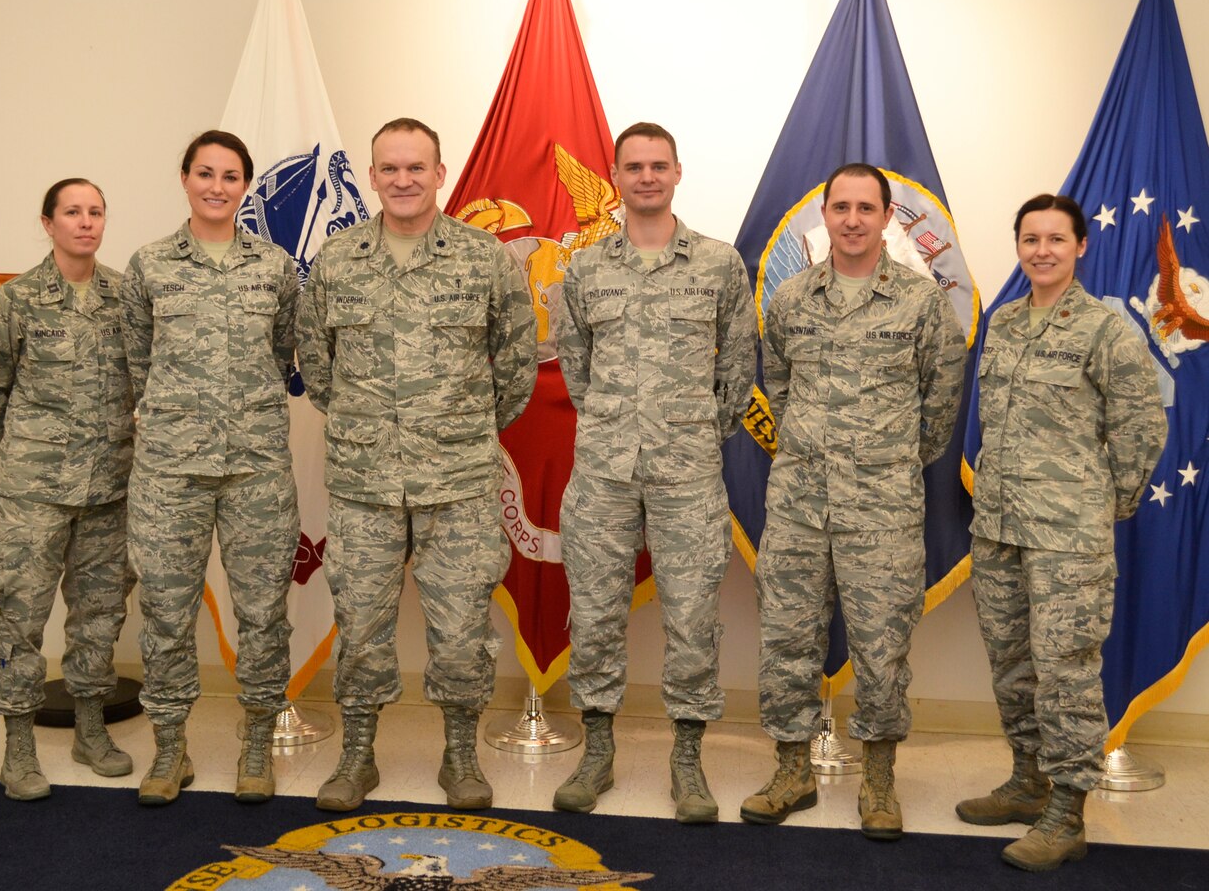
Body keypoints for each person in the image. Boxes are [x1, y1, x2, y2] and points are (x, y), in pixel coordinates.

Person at [297, 117, 536, 813]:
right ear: (372, 177)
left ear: (440, 173)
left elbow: (517, 365)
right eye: (389, 168)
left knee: (462, 629)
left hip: (457, 483)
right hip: (364, 484)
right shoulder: (337, 261)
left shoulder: (485, 258)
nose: (403, 180)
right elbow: (317, 368)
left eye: (416, 167)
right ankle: (357, 756)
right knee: (362, 625)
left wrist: (459, 432)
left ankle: (459, 758)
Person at [743, 162, 966, 839]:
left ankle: (878, 780)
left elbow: (941, 405)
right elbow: (777, 387)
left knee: (881, 646)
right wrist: (817, 451)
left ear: (885, 217)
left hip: (884, 506)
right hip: (800, 502)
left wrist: (887, 460)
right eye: (840, 206)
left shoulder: (922, 304)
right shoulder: (790, 299)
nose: (852, 219)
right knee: (788, 638)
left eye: (866, 208)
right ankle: (791, 771)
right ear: (826, 215)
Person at [549, 122, 755, 824]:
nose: (646, 176)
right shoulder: (583, 268)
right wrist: (614, 424)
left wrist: (691, 432)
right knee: (597, 615)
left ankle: (687, 759)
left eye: (657, 165)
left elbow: (738, 373)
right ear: (615, 176)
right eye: (633, 166)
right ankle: (597, 752)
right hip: (603, 472)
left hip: (689, 474)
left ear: (677, 172)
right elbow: (576, 368)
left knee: (694, 618)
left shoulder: (720, 265)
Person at [957, 194, 1165, 871]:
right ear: (1017, 245)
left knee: (1066, 673)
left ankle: (1068, 810)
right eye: (1030, 238)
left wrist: (1102, 505)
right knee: (1014, 667)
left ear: (1081, 246)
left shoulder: (1106, 331)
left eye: (1055, 239)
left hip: (1067, 539)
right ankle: (1028, 781)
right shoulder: (1006, 323)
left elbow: (1140, 429)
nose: (1041, 250)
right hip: (999, 531)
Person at [121, 130, 301, 806]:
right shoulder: (150, 266)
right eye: (205, 173)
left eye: (230, 176)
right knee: (166, 611)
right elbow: (138, 358)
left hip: (255, 467)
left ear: (245, 187)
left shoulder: (275, 267)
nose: (217, 186)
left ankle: (257, 744)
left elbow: (284, 354)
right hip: (170, 469)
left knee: (261, 611)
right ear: (185, 178)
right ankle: (171, 750)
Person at [0, 178, 136, 800]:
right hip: (32, 494)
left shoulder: (125, 297)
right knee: (20, 616)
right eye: (73, 212)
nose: (86, 222)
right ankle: (18, 744)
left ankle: (91, 729)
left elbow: (143, 380)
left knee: (99, 615)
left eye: (95, 212)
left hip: (110, 490)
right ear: (48, 223)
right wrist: (35, 452)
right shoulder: (15, 301)